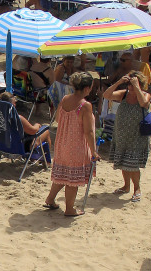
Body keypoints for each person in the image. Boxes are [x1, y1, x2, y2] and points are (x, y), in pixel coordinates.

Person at [103, 71, 151, 203]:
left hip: (137, 136)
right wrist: (119, 82)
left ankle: (136, 188)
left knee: (133, 165)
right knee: (122, 161)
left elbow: (143, 103)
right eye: (129, 84)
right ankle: (126, 186)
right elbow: (107, 95)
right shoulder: (123, 94)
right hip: (122, 134)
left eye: (132, 84)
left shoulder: (145, 95)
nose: (130, 86)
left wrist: (137, 87)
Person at [43, 72, 99, 217]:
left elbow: (57, 119)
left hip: (62, 142)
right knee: (72, 181)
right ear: (87, 88)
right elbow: (89, 132)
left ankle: (50, 199)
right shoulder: (85, 106)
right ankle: (69, 209)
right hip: (76, 145)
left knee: (62, 174)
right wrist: (94, 151)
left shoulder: (65, 99)